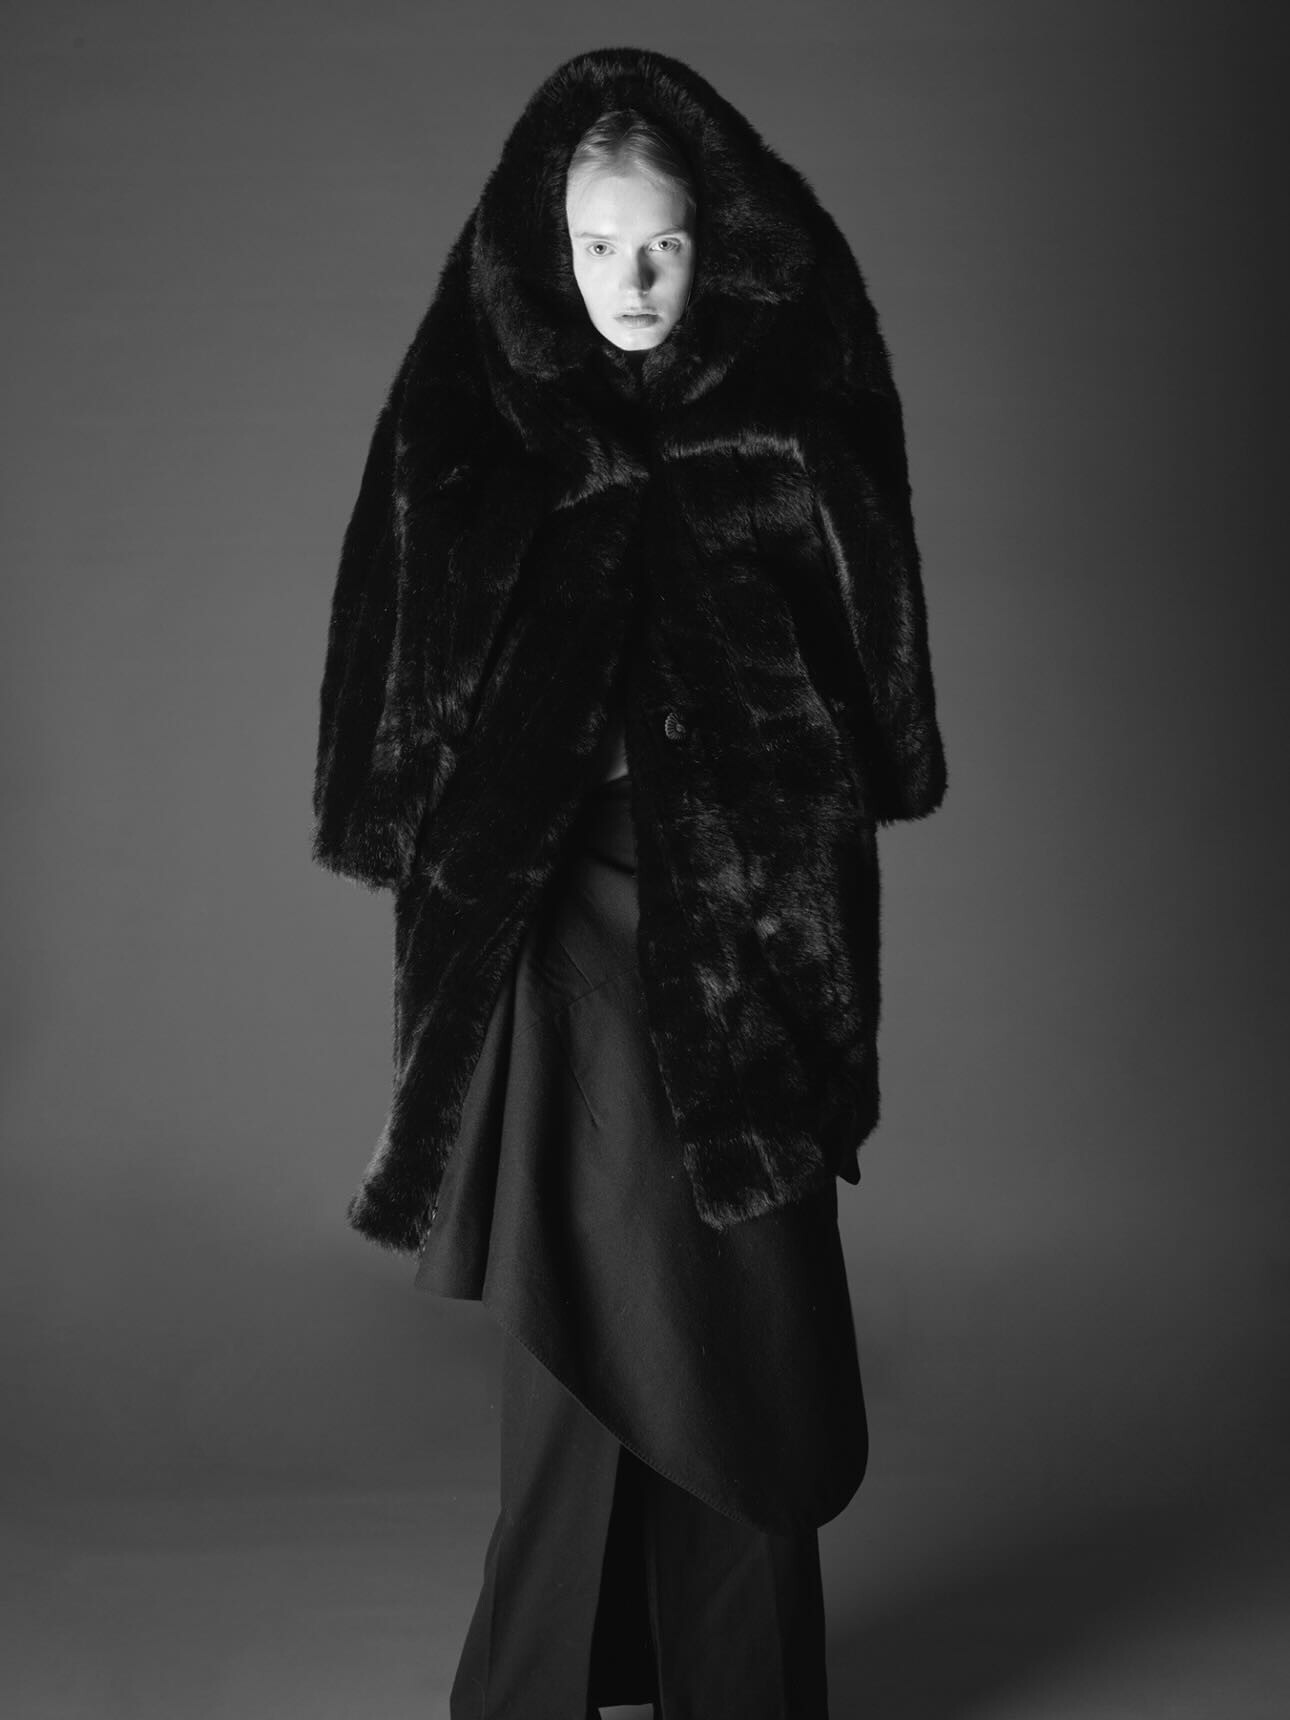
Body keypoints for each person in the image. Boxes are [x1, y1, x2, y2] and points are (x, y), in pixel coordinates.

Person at [310, 45, 947, 1720]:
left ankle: (737, 1682)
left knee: (746, 1299)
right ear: (552, 245)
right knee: (579, 1290)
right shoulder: (473, 402)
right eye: (599, 247)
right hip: (547, 918)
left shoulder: (798, 395)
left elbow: (872, 643)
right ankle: (542, 1683)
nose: (633, 282)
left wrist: (828, 796)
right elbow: (390, 632)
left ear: (710, 242)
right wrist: (405, 816)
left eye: (661, 244)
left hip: (748, 914)